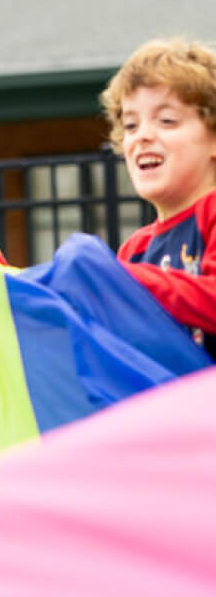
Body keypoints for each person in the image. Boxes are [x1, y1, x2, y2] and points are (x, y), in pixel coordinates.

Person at [100, 37, 216, 359]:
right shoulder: (135, 250)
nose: (143, 136)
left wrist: (121, 279)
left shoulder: (211, 212)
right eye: (131, 125)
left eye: (167, 121)